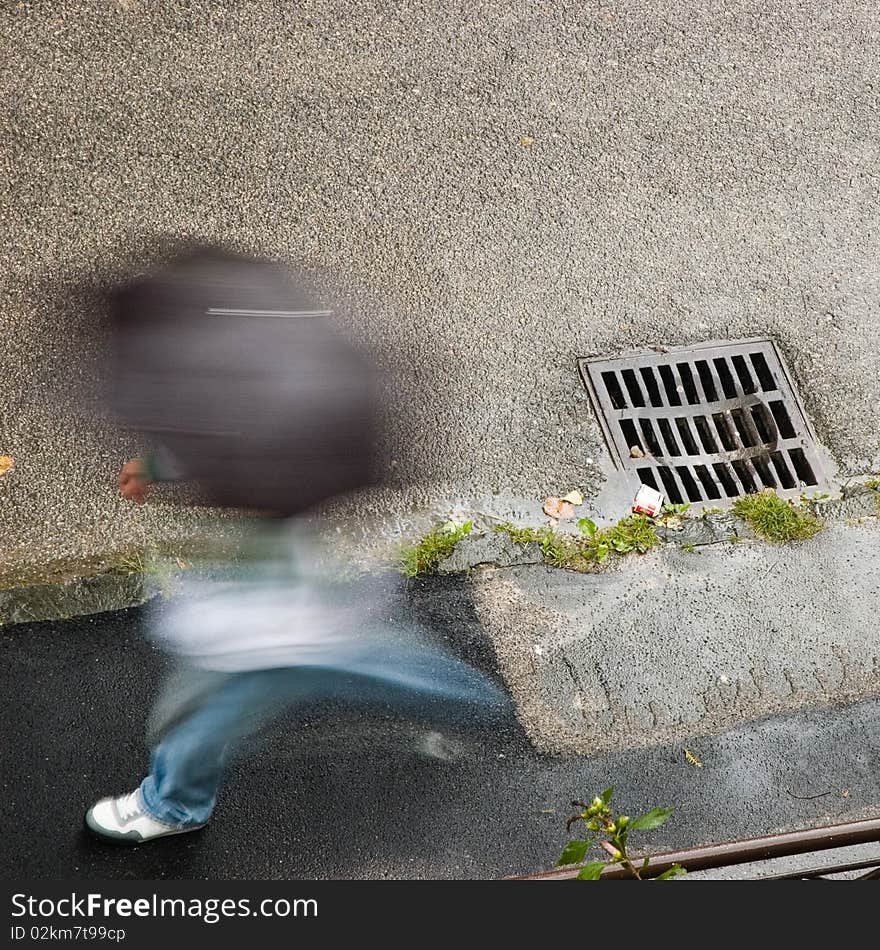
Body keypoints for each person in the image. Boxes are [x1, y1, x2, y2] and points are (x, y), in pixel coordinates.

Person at [84, 249, 511, 844]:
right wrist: (162, 465)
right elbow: (230, 435)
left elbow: (230, 443)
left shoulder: (256, 430)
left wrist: (165, 470)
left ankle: (174, 806)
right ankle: (472, 703)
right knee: (368, 659)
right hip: (309, 582)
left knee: (209, 706)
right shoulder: (279, 409)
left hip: (275, 613)